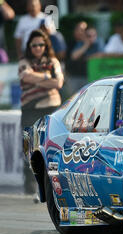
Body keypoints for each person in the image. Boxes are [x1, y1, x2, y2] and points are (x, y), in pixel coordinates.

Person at [18, 29, 64, 195]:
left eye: (41, 44)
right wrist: (46, 77)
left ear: (46, 45)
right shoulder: (24, 61)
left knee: (52, 147)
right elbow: (26, 76)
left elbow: (58, 83)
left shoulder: (53, 61)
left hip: (51, 110)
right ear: (29, 47)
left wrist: (38, 78)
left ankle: (53, 187)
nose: (38, 48)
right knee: (29, 147)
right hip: (30, 110)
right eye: (34, 45)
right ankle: (30, 188)